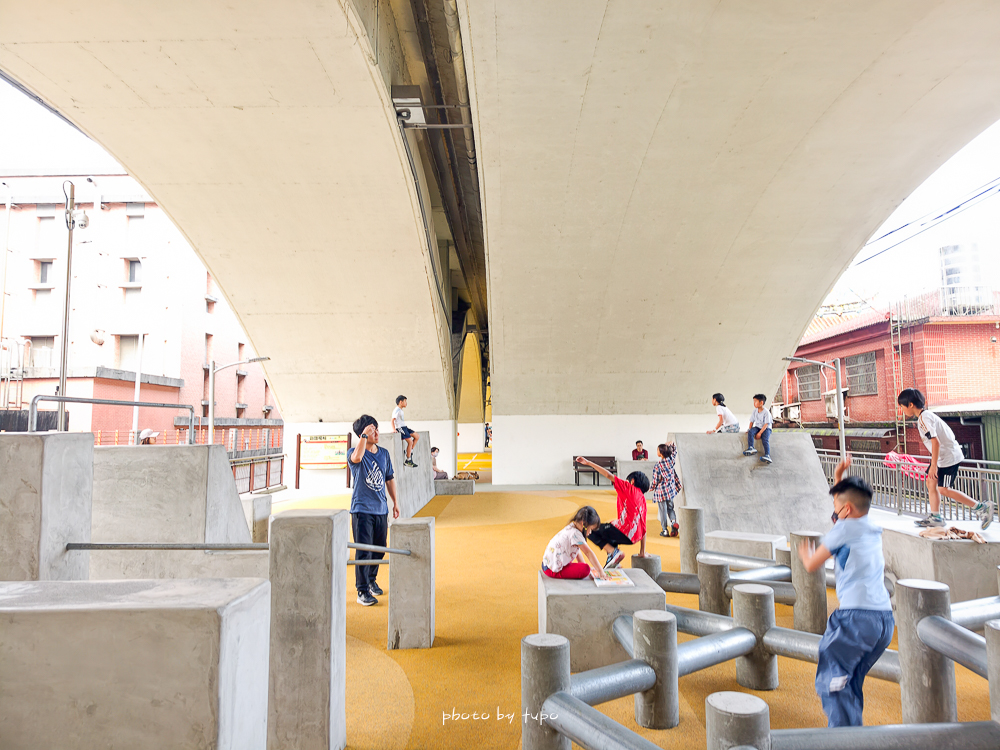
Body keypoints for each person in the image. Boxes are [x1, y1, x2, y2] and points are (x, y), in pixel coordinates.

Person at [797, 454, 894, 728]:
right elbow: (845, 508)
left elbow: (812, 565)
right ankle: (854, 735)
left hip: (855, 620)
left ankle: (842, 739)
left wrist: (805, 553)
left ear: (846, 509)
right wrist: (839, 477)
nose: (834, 512)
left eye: (836, 508)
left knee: (832, 681)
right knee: (848, 682)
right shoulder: (871, 526)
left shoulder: (843, 530)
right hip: (883, 622)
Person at [897, 388, 993, 529]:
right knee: (931, 482)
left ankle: (981, 508)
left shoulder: (924, 418)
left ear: (910, 404)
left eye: (902, 406)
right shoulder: (925, 416)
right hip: (943, 456)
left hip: (948, 457)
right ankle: (935, 517)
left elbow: (936, 442)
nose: (902, 410)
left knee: (943, 489)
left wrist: (933, 465)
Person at [348, 414, 400, 606]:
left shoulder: (384, 453)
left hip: (381, 509)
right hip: (362, 510)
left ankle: (371, 580)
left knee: (379, 548)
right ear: (362, 434)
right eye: (372, 430)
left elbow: (389, 479)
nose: (376, 433)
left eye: (377, 429)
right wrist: (364, 435)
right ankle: (362, 591)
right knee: (364, 551)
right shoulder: (354, 452)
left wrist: (395, 502)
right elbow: (357, 458)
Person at [575, 456, 649, 569]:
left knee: (589, 529)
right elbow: (644, 526)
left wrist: (589, 463)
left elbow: (609, 475)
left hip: (625, 531)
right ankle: (614, 560)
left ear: (632, 481)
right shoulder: (642, 500)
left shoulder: (628, 487)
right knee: (610, 528)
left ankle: (614, 553)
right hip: (634, 537)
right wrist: (642, 551)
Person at [542, 506, 609, 580]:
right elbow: (588, 553)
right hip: (552, 570)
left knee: (584, 567)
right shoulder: (575, 534)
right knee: (586, 570)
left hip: (548, 564)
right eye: (590, 529)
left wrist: (582, 565)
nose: (590, 532)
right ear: (583, 524)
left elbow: (577, 551)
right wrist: (601, 572)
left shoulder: (572, 526)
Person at [650, 442, 682, 537]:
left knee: (662, 511)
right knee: (670, 508)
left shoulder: (658, 465)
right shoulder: (671, 460)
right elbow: (675, 452)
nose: (657, 451)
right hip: (670, 491)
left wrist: (652, 487)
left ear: (661, 453)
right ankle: (673, 522)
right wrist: (672, 444)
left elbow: (656, 480)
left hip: (661, 492)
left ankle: (665, 530)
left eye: (657, 450)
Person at [743, 393, 774, 464]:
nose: (754, 403)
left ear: (761, 403)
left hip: (766, 428)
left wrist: (760, 433)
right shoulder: (754, 411)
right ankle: (751, 447)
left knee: (765, 439)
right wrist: (749, 429)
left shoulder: (766, 412)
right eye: (753, 401)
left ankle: (767, 455)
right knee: (751, 432)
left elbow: (766, 424)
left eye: (755, 401)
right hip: (758, 427)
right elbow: (751, 421)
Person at [392, 395, 419, 468]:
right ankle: (408, 460)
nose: (406, 403)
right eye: (405, 401)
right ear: (401, 402)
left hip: (404, 427)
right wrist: (394, 429)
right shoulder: (397, 410)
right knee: (410, 441)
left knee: (417, 436)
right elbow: (392, 420)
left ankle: (410, 450)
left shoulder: (401, 410)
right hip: (400, 428)